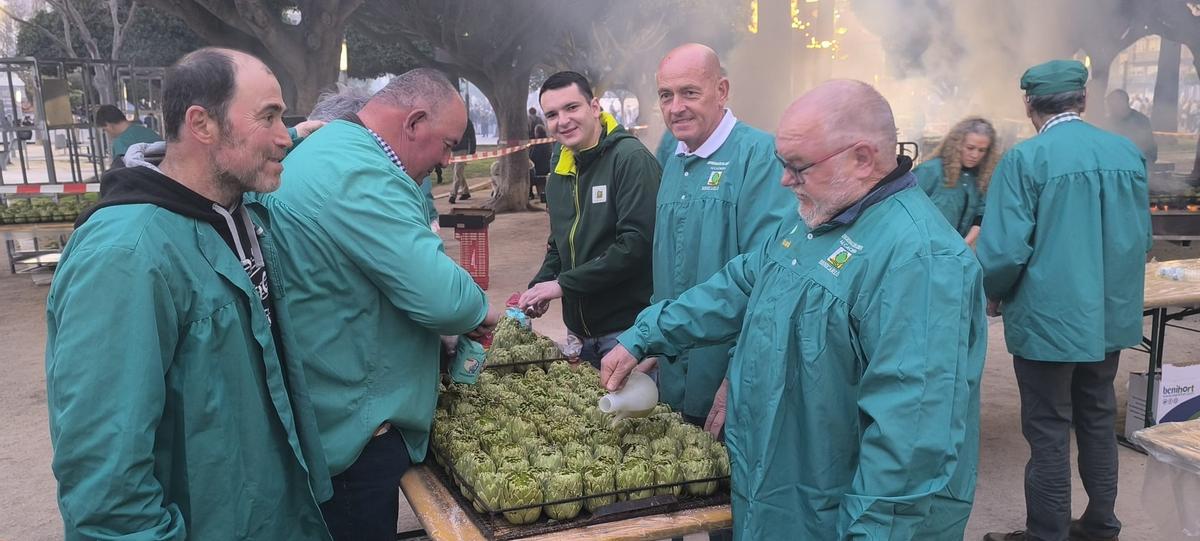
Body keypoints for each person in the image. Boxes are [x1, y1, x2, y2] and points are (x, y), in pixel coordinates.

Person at [600, 79, 986, 540]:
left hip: (836, 513)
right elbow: (743, 281)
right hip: (781, 490)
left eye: (798, 167)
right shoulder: (818, 213)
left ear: (862, 158)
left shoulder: (920, 261)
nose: (785, 180)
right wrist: (647, 332)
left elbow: (911, 443)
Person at [45, 47, 332, 540]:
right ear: (202, 124)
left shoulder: (241, 216)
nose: (286, 137)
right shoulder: (126, 255)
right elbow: (105, 480)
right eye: (269, 117)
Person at [253, 68, 499, 541]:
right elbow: (442, 297)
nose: (448, 160)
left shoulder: (339, 149)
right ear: (414, 123)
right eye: (447, 143)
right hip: (353, 431)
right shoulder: (358, 173)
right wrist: (487, 312)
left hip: (338, 403)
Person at [980, 60, 1152, 541]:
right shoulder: (1125, 152)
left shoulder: (1026, 160)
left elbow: (1004, 251)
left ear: (1029, 104)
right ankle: (1101, 524)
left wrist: (993, 292)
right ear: (1083, 100)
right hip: (1107, 319)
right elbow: (1140, 239)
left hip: (1048, 321)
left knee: (1048, 427)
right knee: (1097, 418)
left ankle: (1047, 532)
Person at [650, 43, 794, 434]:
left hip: (727, 385)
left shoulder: (759, 157)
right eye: (666, 95)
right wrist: (653, 341)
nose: (676, 106)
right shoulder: (675, 163)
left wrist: (738, 376)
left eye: (689, 92)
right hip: (675, 380)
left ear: (722, 90)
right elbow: (666, 271)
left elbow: (771, 283)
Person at [518, 70, 659, 367]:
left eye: (572, 107)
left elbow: (636, 246)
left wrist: (562, 285)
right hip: (579, 336)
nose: (563, 121)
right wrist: (540, 286)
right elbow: (559, 243)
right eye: (552, 114)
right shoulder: (560, 168)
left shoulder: (630, 159)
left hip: (628, 333)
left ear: (595, 107)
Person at [914, 116, 1000, 246]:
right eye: (970, 148)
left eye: (982, 150)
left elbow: (981, 215)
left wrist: (962, 247)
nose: (975, 155)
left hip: (956, 252)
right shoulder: (930, 171)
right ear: (956, 145)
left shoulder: (982, 177)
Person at [93, 103, 161, 169]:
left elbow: (121, 173)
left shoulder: (120, 142)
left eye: (105, 130)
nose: (107, 134)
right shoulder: (149, 132)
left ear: (108, 125)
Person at [1105, 89, 1158, 164]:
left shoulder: (1141, 120)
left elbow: (1149, 147)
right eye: (1110, 105)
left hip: (1138, 163)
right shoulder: (1108, 121)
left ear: (1124, 103)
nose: (1110, 109)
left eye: (1113, 105)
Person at [448, 117, 477, 203]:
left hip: (463, 149)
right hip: (453, 149)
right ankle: (465, 192)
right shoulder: (451, 120)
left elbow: (472, 135)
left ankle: (453, 195)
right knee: (457, 172)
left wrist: (472, 149)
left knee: (457, 172)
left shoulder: (466, 121)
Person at [529, 124, 551, 201]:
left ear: (537, 133)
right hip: (547, 167)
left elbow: (534, 157)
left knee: (528, 171)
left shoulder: (538, 144)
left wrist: (530, 151)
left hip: (540, 168)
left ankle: (529, 193)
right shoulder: (548, 142)